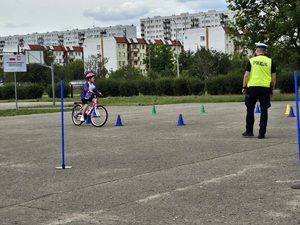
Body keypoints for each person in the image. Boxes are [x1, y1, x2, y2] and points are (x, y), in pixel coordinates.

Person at [242, 43, 276, 139]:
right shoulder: (270, 61)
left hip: (252, 88)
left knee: (250, 109)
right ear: (265, 51)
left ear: (257, 50)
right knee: (264, 110)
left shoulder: (251, 61)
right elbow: (274, 77)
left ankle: (249, 131)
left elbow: (246, 75)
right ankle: (262, 133)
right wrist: (272, 88)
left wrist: (244, 87)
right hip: (265, 88)